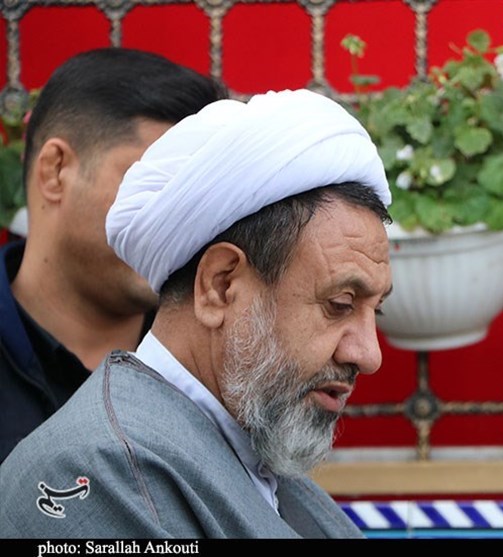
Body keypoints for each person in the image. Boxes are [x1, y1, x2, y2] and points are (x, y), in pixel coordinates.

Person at [0, 88, 393, 538]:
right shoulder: (103, 473)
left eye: (375, 311)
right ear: (219, 286)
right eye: (340, 305)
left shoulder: (257, 465)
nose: (369, 354)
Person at [0, 48, 228, 463]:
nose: (183, 219)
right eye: (154, 184)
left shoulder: (222, 373)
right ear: (56, 171)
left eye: (196, 195)